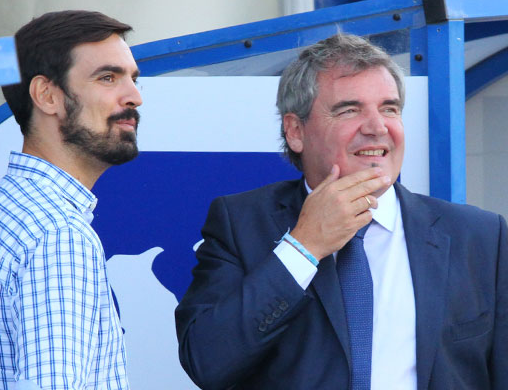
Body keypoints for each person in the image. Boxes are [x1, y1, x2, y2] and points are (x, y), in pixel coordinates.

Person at [175, 33, 508, 390]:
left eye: (389, 108)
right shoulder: (239, 223)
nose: (377, 127)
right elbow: (207, 361)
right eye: (349, 110)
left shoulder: (480, 236)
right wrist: (303, 247)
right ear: (295, 131)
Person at [0, 10, 142, 390]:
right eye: (107, 77)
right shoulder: (58, 236)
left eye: (134, 79)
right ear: (46, 95)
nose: (134, 97)